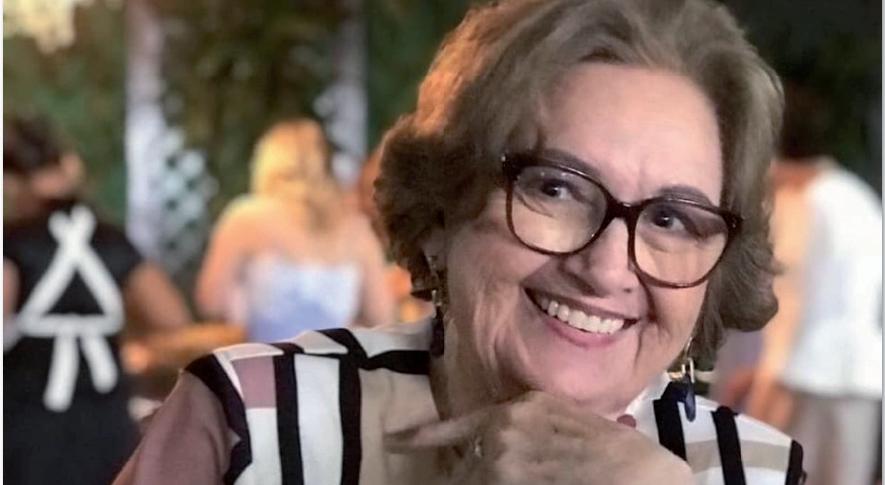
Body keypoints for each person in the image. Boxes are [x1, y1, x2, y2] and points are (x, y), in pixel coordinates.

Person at [115, 0, 805, 483]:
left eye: (671, 220)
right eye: (556, 189)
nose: (605, 267)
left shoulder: (756, 471)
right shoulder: (249, 421)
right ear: (445, 207)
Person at [4, 116, 191, 485]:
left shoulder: (14, 241)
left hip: (30, 416)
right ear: (68, 165)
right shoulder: (112, 241)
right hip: (105, 416)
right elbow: (173, 316)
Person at [738, 81, 883, 485]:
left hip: (806, 378)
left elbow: (794, 302)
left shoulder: (803, 203)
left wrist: (762, 383)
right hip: (858, 378)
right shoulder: (856, 197)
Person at [195, 119, 393, 342]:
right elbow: (382, 316)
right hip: (333, 362)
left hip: (264, 358)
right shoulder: (355, 229)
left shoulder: (245, 217)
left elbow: (210, 302)